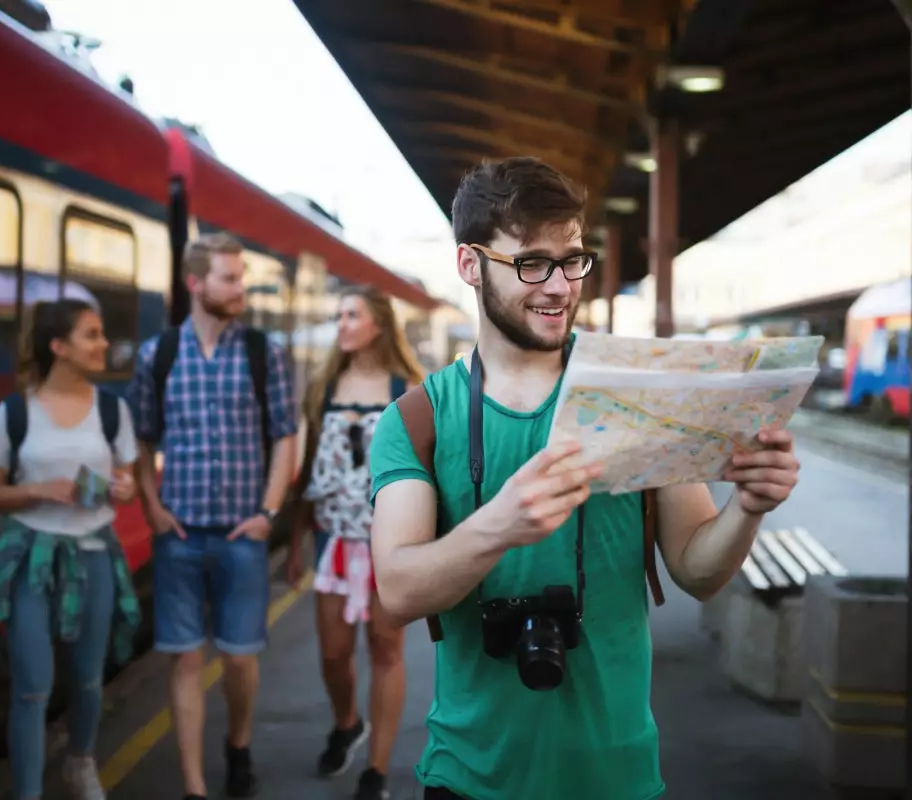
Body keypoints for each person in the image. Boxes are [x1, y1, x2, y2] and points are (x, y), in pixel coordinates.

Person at [367, 157, 802, 800]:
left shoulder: (639, 394)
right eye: (532, 263)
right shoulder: (418, 419)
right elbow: (397, 590)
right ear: (469, 265)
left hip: (618, 775)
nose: (559, 286)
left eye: (571, 259)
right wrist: (498, 526)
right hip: (468, 777)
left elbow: (697, 571)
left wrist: (748, 507)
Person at [128, 232, 298, 800]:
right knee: (182, 662)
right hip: (178, 534)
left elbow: (285, 438)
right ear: (195, 283)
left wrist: (268, 512)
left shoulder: (263, 352)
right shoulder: (159, 355)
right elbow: (142, 438)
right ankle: (195, 786)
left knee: (240, 661)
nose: (240, 288)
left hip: (241, 534)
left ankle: (239, 743)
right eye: (229, 278)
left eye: (240, 277)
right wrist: (150, 505)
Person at [0, 299, 142, 800]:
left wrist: (126, 489)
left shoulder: (113, 410)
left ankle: (79, 762)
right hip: (31, 559)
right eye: (92, 335)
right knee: (31, 686)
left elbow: (127, 477)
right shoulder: (15, 412)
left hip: (93, 553)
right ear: (59, 347)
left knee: (89, 679)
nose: (104, 344)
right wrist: (38, 490)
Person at [285, 285, 425, 800]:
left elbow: (427, 468)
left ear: (378, 324)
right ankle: (347, 722)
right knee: (333, 653)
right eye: (338, 314)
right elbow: (305, 476)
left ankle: (376, 771)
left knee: (386, 649)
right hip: (332, 539)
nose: (341, 324)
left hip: (390, 539)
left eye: (351, 315)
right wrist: (296, 541)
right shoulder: (323, 387)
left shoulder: (407, 388)